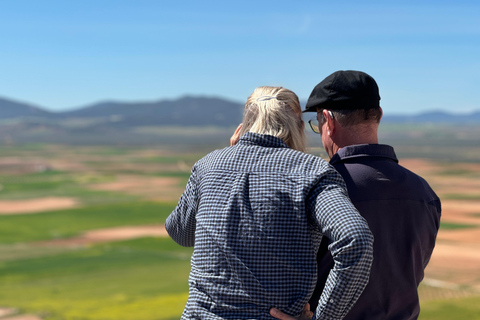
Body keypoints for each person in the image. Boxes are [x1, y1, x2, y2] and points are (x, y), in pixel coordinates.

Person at [166, 86, 374, 320]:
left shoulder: (208, 165)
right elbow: (356, 239)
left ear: (245, 125)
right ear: (299, 127)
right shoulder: (311, 171)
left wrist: (228, 161)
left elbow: (180, 233)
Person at [270, 70, 441, 320]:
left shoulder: (315, 188)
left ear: (328, 121)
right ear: (379, 116)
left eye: (317, 123)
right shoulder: (424, 192)